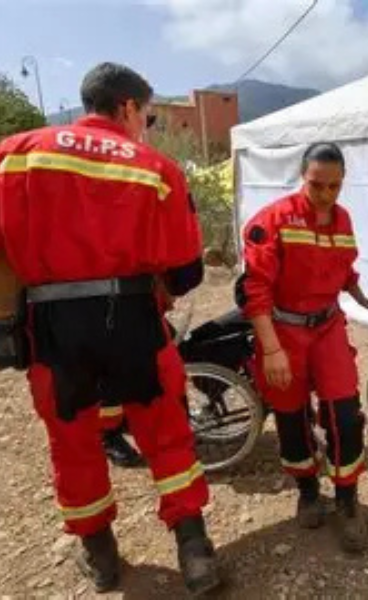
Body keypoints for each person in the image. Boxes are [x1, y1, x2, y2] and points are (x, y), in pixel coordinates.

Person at [0, 63, 220, 594]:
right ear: (126, 107)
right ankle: (195, 551)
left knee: (72, 442)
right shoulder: (156, 166)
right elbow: (187, 270)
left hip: (53, 326)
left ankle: (99, 556)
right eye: (144, 114)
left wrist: (8, 322)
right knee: (166, 436)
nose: (143, 124)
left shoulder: (15, 154)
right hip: (134, 320)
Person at [237, 142, 368, 554]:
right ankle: (307, 490)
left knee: (345, 415)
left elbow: (343, 267)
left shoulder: (344, 219)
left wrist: (361, 296)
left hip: (328, 326)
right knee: (290, 416)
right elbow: (256, 289)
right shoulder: (274, 219)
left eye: (335, 186)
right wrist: (270, 350)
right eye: (318, 185)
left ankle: (348, 498)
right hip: (283, 331)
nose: (326, 194)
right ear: (303, 176)